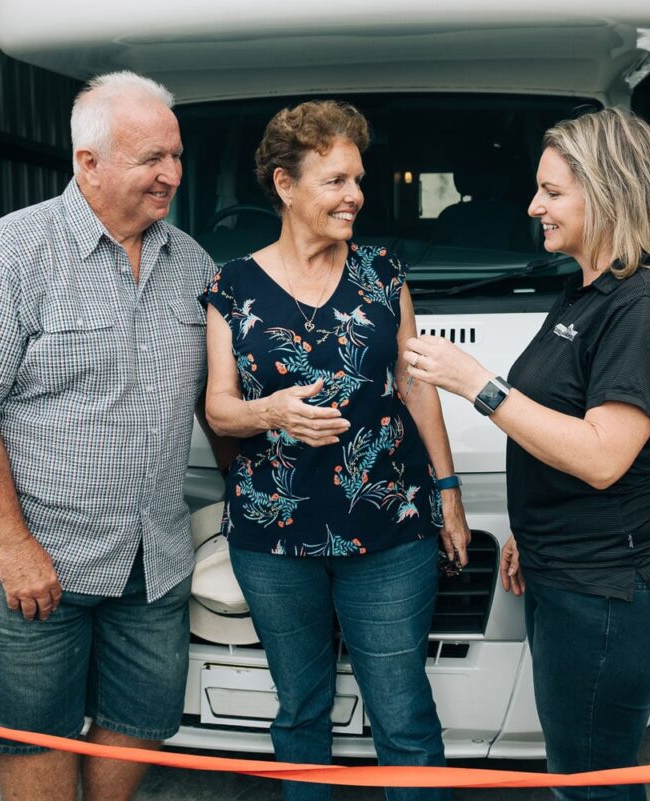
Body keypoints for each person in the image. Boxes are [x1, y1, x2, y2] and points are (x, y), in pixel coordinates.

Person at [0, 71, 222, 801]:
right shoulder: (7, 257)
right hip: (30, 554)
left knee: (140, 716)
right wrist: (12, 546)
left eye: (177, 156)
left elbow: (219, 403)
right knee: (35, 732)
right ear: (89, 163)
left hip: (151, 553)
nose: (172, 174)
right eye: (152, 158)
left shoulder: (192, 265)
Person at [403, 107, 650, 801]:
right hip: (568, 571)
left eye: (552, 191)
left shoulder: (645, 308)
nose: (533, 206)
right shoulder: (586, 292)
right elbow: (561, 425)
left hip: (612, 593)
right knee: (576, 770)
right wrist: (532, 534)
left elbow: (602, 456)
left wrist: (476, 383)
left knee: (588, 784)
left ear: (611, 191)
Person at [202, 99, 470, 801]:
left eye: (358, 180)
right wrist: (271, 411)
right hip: (272, 535)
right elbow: (218, 408)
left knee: (403, 714)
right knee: (300, 709)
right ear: (285, 185)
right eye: (336, 181)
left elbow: (414, 385)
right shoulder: (231, 284)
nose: (355, 195)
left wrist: (449, 493)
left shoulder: (383, 271)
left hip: (389, 528)